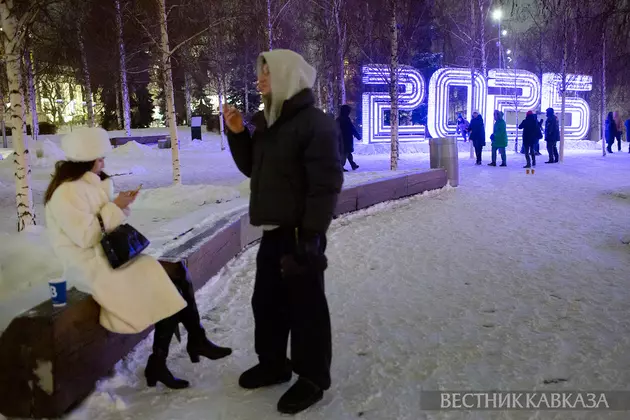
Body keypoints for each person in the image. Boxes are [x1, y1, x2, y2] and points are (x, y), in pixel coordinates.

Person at [44, 128, 232, 390]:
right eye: (99, 158)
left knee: (174, 274)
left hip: (108, 258)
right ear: (85, 161)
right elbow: (86, 237)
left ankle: (175, 352)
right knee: (164, 282)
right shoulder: (66, 194)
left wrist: (120, 205)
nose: (103, 163)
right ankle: (180, 350)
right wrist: (115, 207)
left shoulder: (93, 184)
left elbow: (105, 226)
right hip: (88, 267)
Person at [223, 49, 343, 415]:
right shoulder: (267, 121)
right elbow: (253, 171)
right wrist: (239, 135)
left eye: (267, 73)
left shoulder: (316, 124)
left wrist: (312, 235)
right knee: (267, 303)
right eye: (260, 73)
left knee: (306, 309)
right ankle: (275, 364)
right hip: (274, 232)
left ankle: (312, 378)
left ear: (288, 77)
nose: (259, 80)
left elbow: (326, 184)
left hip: (300, 233)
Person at [337, 104, 361, 171]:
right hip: (345, 139)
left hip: (342, 139)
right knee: (345, 153)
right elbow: (352, 128)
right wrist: (357, 136)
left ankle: (353, 165)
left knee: (347, 153)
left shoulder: (339, 119)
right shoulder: (346, 119)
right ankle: (341, 166)